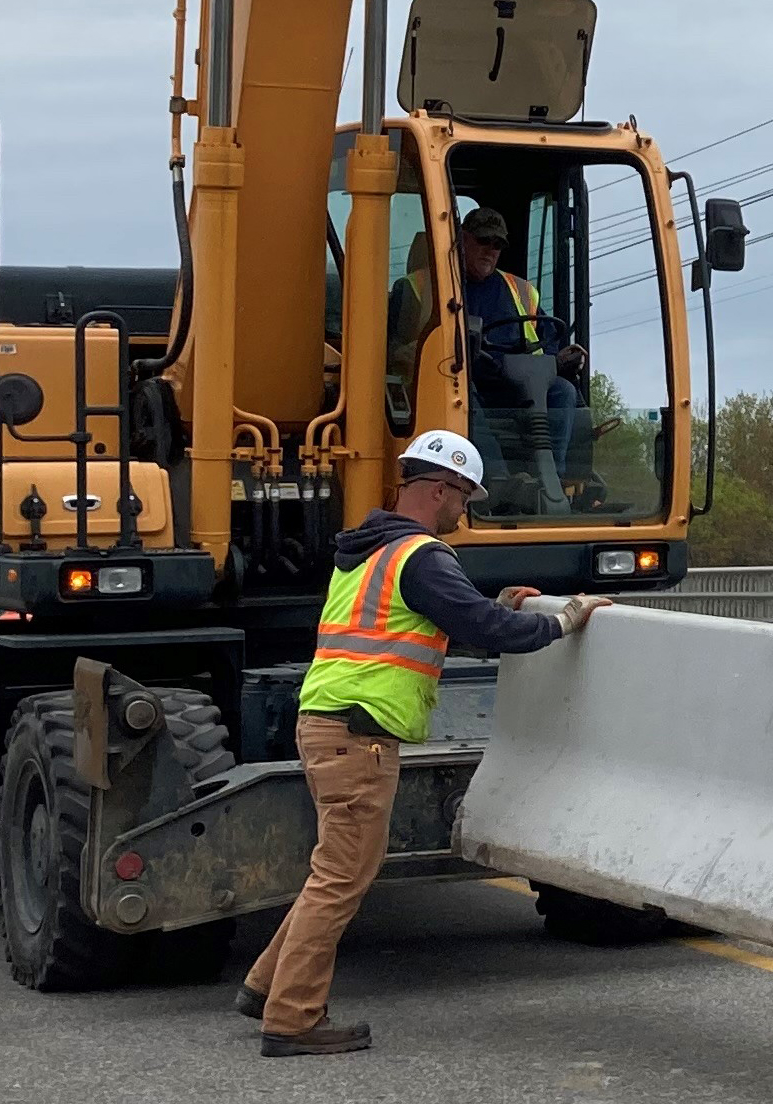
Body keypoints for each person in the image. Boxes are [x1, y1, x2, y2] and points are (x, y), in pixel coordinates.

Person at [239, 430, 611, 1057]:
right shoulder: (422, 556)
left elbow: (434, 620)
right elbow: (483, 628)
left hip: (329, 724)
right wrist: (561, 620)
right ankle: (292, 1019)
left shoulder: (364, 552)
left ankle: (265, 987)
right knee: (341, 877)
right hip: (361, 736)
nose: (462, 512)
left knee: (333, 871)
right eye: (463, 498)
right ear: (439, 490)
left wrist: (493, 606)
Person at [458, 206, 587, 480]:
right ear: (463, 239)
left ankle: (553, 480)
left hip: (517, 386)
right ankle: (497, 479)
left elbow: (546, 341)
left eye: (497, 244)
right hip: (469, 383)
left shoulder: (521, 290)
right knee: (462, 395)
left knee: (563, 391)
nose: (490, 250)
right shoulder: (444, 285)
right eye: (483, 241)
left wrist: (560, 359)